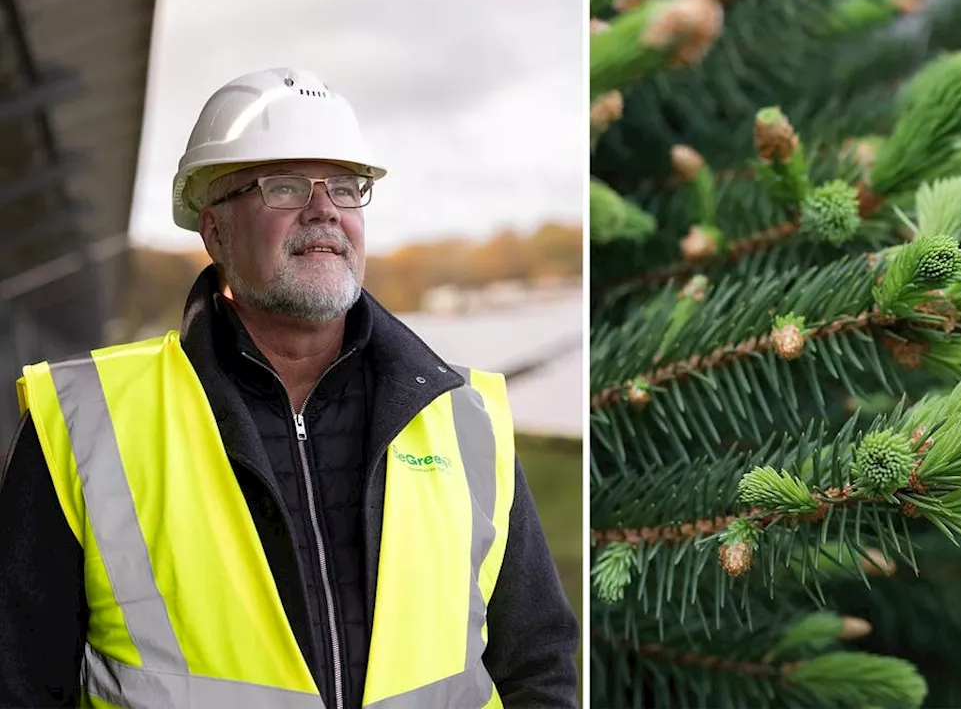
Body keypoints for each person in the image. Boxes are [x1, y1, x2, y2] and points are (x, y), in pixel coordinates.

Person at [0, 67, 579, 708]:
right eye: (284, 188)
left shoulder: (464, 415)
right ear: (214, 229)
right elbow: (19, 682)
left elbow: (537, 664)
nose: (324, 209)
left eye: (344, 187)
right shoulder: (85, 421)